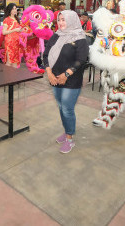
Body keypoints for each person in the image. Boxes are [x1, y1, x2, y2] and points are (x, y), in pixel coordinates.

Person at [43, 10, 88, 154]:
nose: (61, 23)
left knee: (67, 109)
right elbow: (45, 54)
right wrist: (49, 73)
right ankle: (67, 130)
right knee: (61, 106)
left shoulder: (80, 38)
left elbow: (81, 60)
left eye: (64, 20)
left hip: (71, 80)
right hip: (54, 78)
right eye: (59, 20)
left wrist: (67, 74)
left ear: (72, 20)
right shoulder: (56, 35)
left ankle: (69, 139)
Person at [2, 3, 23, 68]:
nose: (15, 10)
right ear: (10, 10)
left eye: (15, 9)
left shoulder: (17, 19)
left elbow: (19, 30)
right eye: (13, 9)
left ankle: (14, 77)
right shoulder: (7, 19)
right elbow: (4, 32)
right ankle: (7, 76)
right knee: (9, 61)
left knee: (15, 60)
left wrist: (21, 30)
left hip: (16, 42)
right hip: (10, 42)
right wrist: (14, 30)